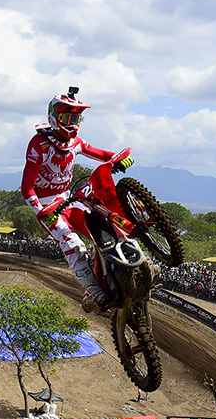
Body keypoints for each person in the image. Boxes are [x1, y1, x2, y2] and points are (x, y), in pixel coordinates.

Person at [20, 87, 141, 313]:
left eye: (76, 119)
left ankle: (126, 267)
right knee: (73, 244)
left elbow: (99, 153)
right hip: (47, 206)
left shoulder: (75, 142)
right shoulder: (39, 145)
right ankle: (93, 291)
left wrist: (118, 159)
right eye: (67, 118)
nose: (72, 124)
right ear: (54, 118)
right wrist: (40, 211)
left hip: (68, 198)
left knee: (105, 223)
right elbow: (26, 188)